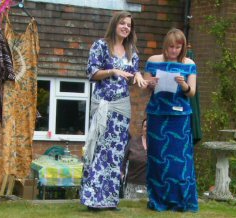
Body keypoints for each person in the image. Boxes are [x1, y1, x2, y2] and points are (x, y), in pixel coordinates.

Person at [80, 11, 147, 211]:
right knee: (100, 149)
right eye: (122, 23)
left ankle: (109, 200)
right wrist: (112, 71)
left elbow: (131, 78)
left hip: (122, 107)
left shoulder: (131, 52)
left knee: (116, 152)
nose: (126, 27)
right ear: (115, 25)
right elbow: (91, 73)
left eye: (129, 25)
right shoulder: (100, 46)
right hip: (104, 106)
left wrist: (139, 78)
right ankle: (93, 199)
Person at [144, 28, 199, 212]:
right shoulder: (153, 61)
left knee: (180, 161)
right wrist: (150, 83)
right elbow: (145, 86)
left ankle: (181, 200)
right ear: (165, 45)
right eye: (170, 47)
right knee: (158, 159)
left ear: (182, 47)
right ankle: (158, 200)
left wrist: (183, 84)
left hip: (179, 118)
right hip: (157, 116)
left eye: (177, 47)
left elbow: (192, 92)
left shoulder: (189, 63)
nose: (173, 50)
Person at [121, 118, 147, 199]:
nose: (148, 129)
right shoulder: (133, 142)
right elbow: (123, 160)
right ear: (142, 128)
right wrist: (121, 173)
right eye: (146, 126)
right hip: (131, 185)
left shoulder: (157, 144)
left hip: (150, 186)